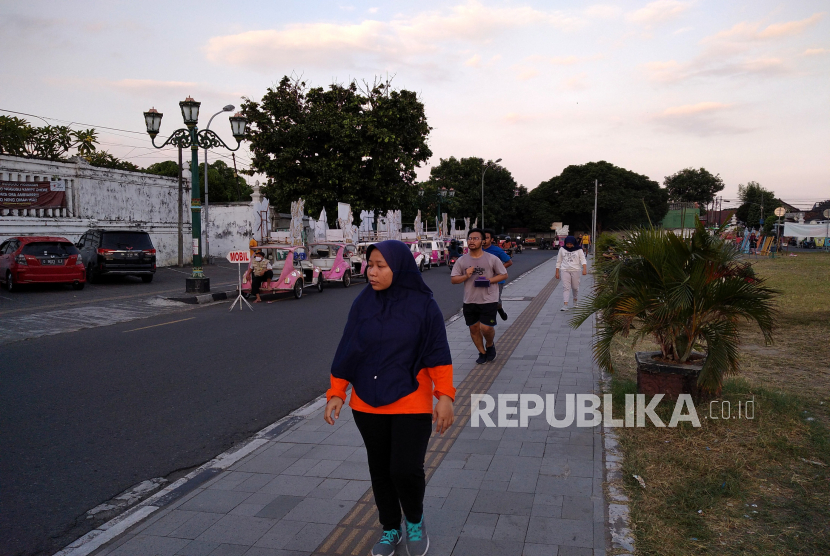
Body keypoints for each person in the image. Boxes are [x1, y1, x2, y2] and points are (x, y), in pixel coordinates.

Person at [324, 240, 454, 556]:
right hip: (367, 404)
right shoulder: (363, 303)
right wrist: (337, 392)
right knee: (380, 469)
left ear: (399, 267)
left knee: (405, 469)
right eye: (370, 265)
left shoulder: (424, 305)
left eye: (381, 265)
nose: (372, 272)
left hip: (411, 400)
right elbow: (348, 350)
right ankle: (390, 528)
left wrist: (445, 396)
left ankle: (414, 519)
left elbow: (438, 353)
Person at [451, 229, 508, 364]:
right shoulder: (462, 260)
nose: (471, 241)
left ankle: (489, 344)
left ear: (483, 241)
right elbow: (454, 280)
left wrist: (488, 280)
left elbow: (504, 274)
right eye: (470, 238)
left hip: (489, 299)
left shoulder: (492, 259)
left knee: (486, 328)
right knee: (474, 328)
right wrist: (466, 276)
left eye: (475, 238)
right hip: (470, 300)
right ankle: (482, 352)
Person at [482, 228, 513, 321]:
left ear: (492, 239)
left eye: (486, 238)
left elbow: (509, 262)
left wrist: (497, 270)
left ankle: (497, 313)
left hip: (497, 280)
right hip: (482, 279)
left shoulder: (497, 250)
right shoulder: (477, 250)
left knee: (495, 301)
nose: (484, 240)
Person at [555, 235, 587, 311]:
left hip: (576, 270)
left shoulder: (579, 249)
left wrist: (584, 269)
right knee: (566, 287)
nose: (569, 246)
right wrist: (557, 272)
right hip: (565, 270)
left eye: (570, 244)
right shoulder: (562, 249)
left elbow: (583, 259)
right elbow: (558, 261)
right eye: (567, 244)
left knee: (575, 287)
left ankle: (575, 300)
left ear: (574, 243)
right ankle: (565, 304)